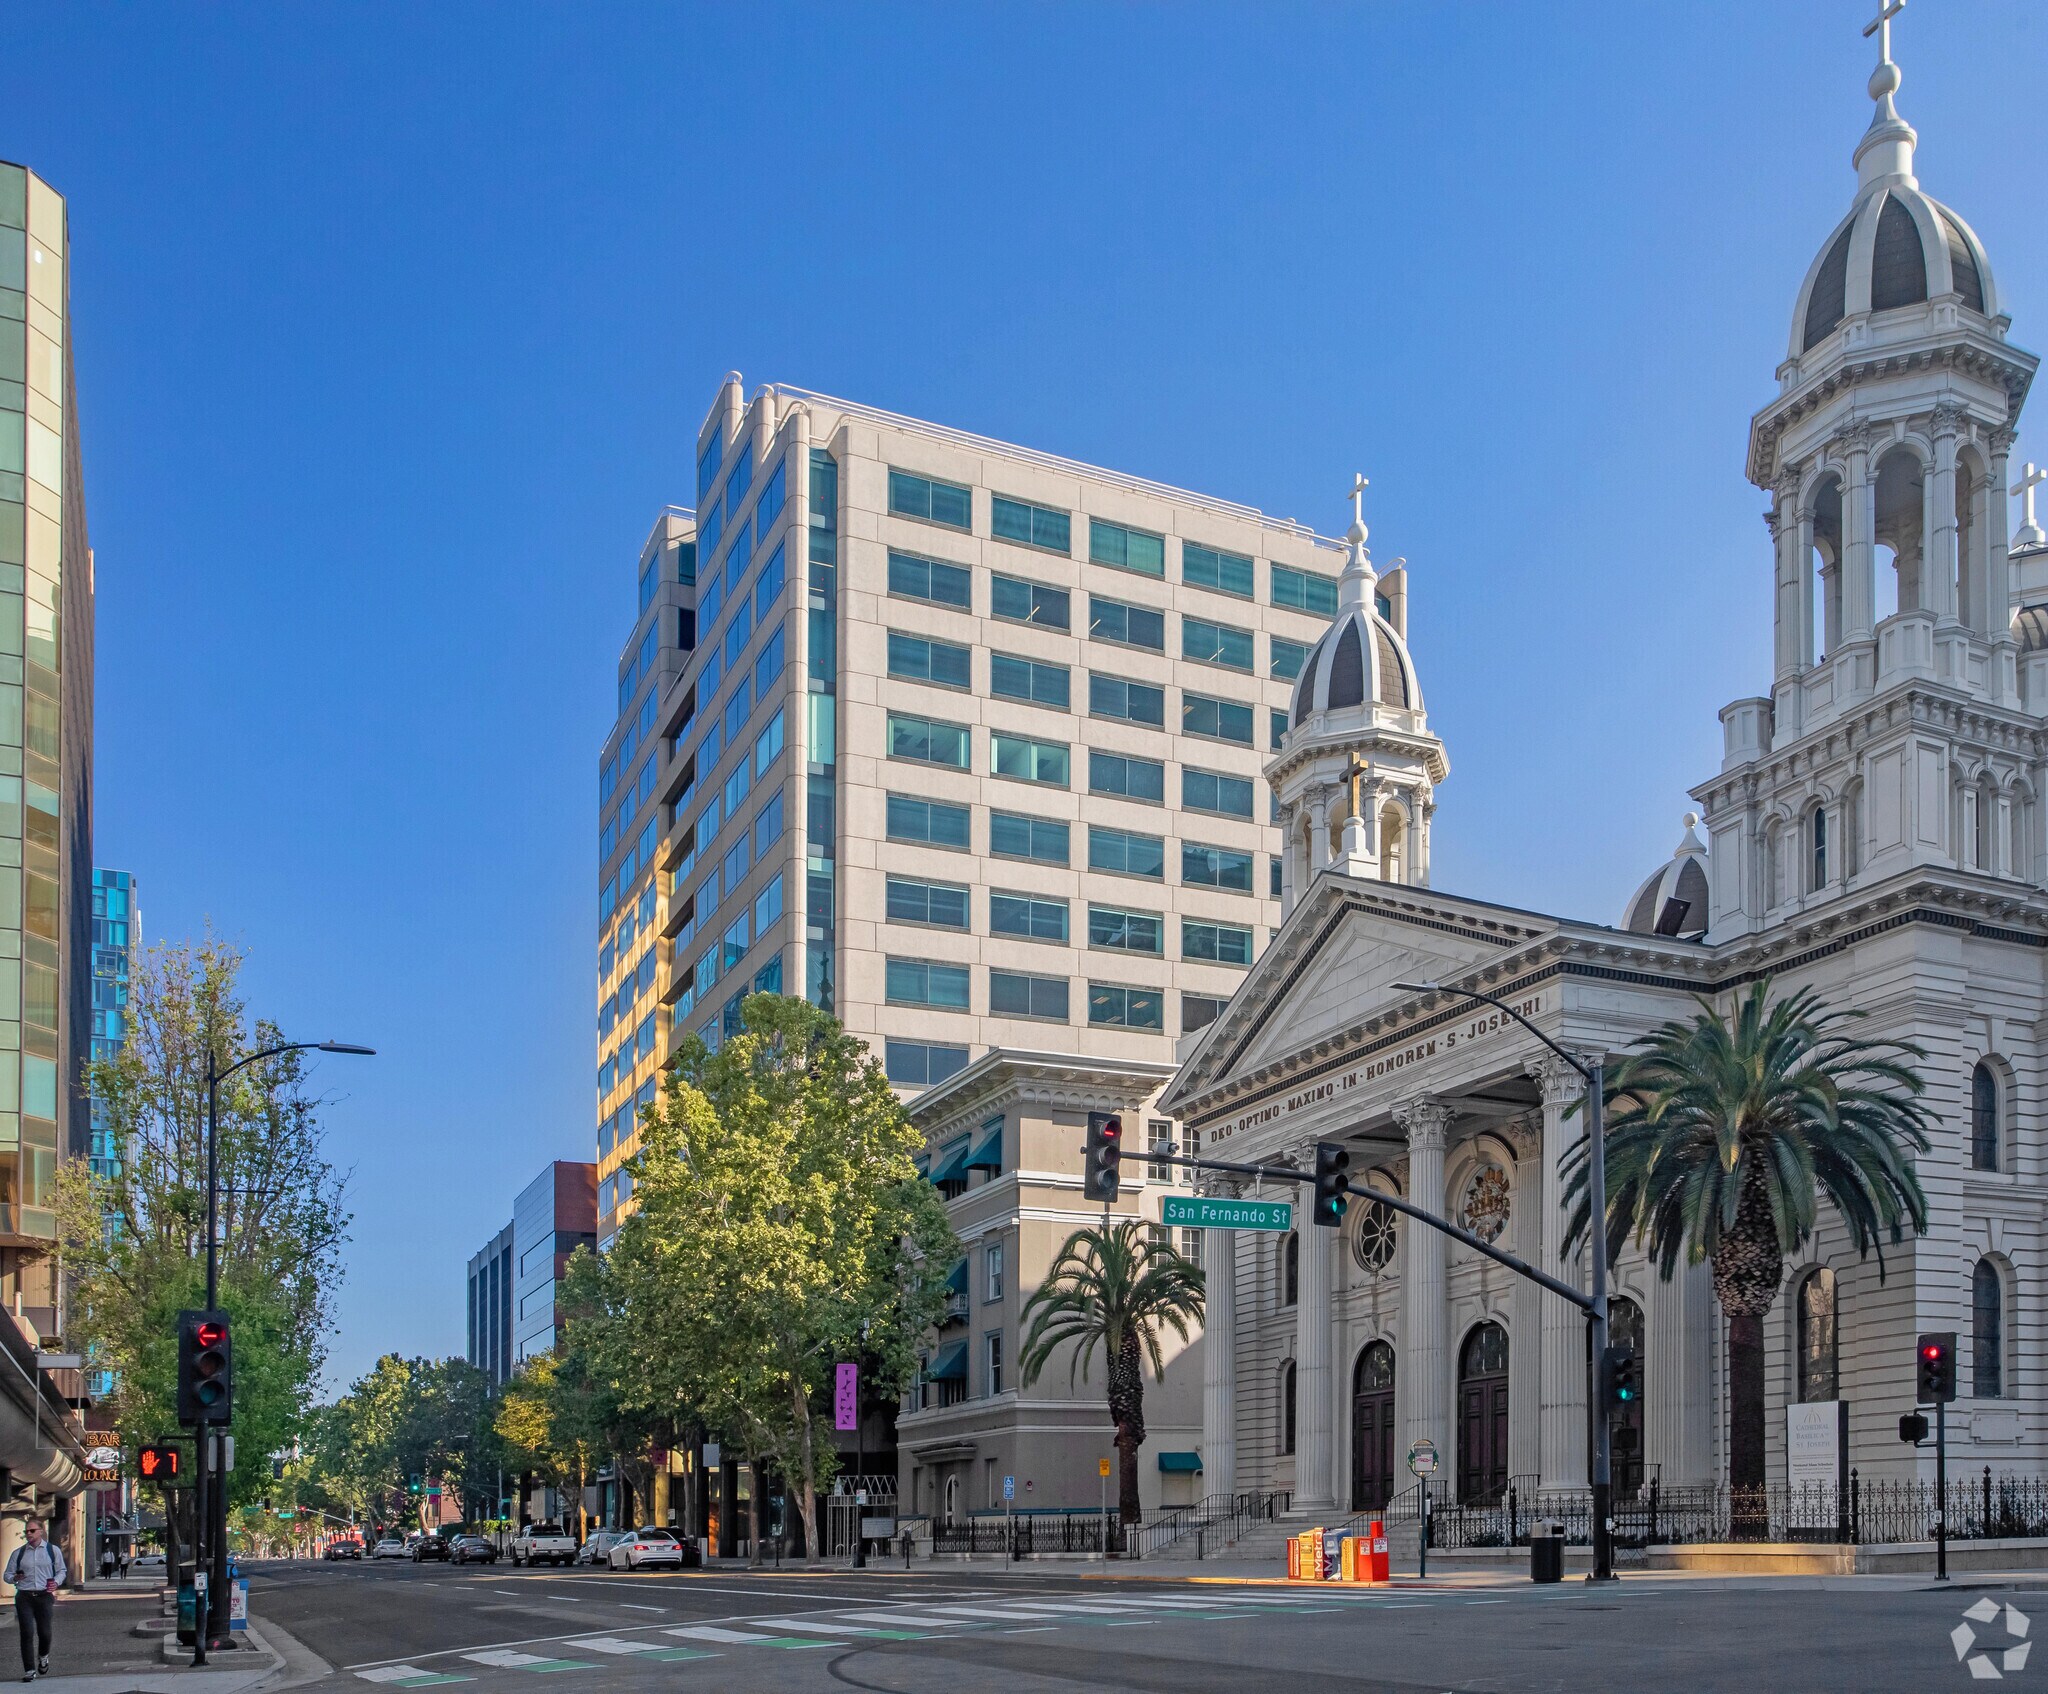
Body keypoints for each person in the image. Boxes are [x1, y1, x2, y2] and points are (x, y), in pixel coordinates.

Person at [3, 1517, 62, 1681]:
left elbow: (61, 1570)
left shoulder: (52, 1551)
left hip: (44, 1596)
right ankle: (29, 1670)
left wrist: (56, 1582)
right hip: (24, 1597)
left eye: (32, 1530)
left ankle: (43, 1656)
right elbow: (6, 1575)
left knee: (45, 1633)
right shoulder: (19, 1553)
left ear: (41, 1531)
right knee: (26, 1632)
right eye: (26, 1531)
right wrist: (15, 1577)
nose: (28, 1534)